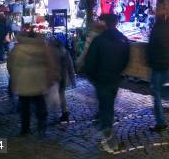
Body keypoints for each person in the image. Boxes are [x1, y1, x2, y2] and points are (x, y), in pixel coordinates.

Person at [83, 14, 130, 149]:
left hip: (101, 78)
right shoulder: (123, 39)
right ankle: (106, 129)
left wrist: (92, 76)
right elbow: (126, 60)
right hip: (114, 78)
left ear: (106, 24)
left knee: (106, 107)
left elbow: (90, 61)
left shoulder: (99, 40)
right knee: (108, 105)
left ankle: (109, 138)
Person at [8, 29, 56, 136]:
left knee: (25, 106)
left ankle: (25, 129)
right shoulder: (42, 48)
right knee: (40, 103)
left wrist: (14, 77)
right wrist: (50, 78)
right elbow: (50, 63)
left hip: (23, 82)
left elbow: (10, 65)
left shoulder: (17, 49)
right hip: (38, 81)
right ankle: (42, 126)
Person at [147, 15, 169, 132]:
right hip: (167, 63)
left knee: (156, 93)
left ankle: (160, 121)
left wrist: (150, 60)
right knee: (163, 90)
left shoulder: (156, 28)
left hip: (157, 64)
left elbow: (150, 47)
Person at [48, 37, 76, 123]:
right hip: (64, 77)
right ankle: (64, 110)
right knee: (61, 94)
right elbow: (70, 66)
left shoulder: (50, 53)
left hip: (54, 77)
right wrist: (72, 78)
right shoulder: (65, 52)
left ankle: (55, 111)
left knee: (53, 93)